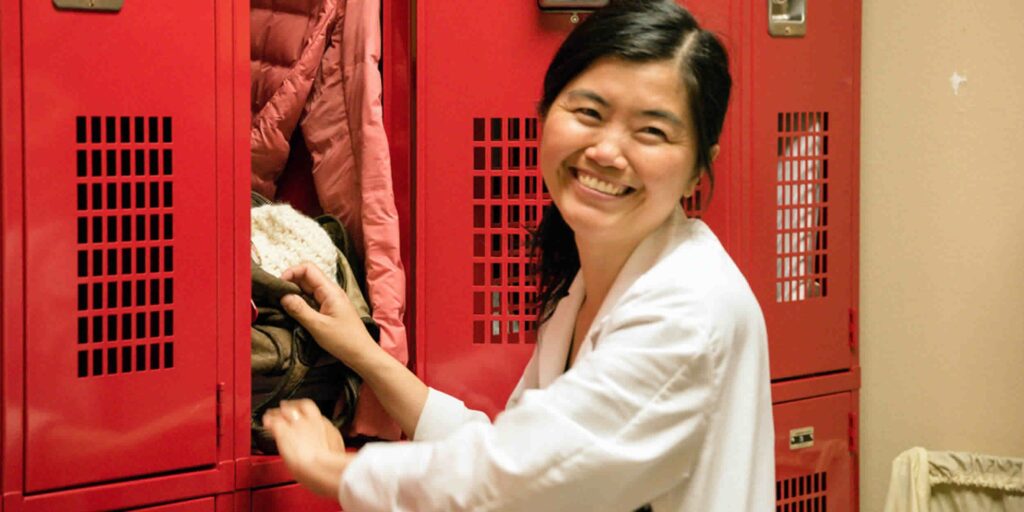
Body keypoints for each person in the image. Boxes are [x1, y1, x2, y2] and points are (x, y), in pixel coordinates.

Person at [261, 1, 775, 510]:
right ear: (547, 113)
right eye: (589, 113)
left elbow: (524, 482)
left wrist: (335, 470)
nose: (607, 151)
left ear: (699, 165)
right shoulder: (589, 281)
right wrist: (364, 352)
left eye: (652, 132)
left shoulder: (688, 309)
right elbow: (520, 448)